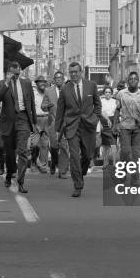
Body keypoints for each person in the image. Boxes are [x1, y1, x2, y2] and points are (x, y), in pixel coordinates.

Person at [55, 62, 101, 198]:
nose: (73, 74)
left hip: (88, 125)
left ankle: (82, 171)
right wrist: (58, 129)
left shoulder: (91, 85)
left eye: (76, 71)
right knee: (74, 157)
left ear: (81, 72)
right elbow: (60, 110)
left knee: (87, 155)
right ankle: (78, 185)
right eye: (71, 72)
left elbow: (98, 104)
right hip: (72, 126)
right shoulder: (65, 89)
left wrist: (95, 118)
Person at [0, 61, 36, 193]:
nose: (15, 76)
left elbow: (31, 103)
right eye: (13, 73)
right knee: (9, 154)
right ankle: (9, 174)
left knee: (22, 152)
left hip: (23, 119)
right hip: (8, 122)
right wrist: (6, 83)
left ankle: (21, 181)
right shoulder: (2, 84)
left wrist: (33, 123)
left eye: (18, 73)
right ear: (8, 72)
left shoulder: (26, 83)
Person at [113, 72, 140, 178]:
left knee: (137, 153)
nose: (133, 80)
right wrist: (114, 125)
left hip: (138, 129)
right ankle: (123, 171)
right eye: (130, 79)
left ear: (138, 81)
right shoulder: (121, 94)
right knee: (125, 151)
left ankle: (135, 175)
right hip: (125, 127)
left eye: (135, 79)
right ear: (127, 81)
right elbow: (117, 110)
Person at [42, 71, 70, 178]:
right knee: (54, 146)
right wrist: (47, 106)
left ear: (63, 79)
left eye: (60, 78)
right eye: (56, 78)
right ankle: (54, 161)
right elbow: (43, 105)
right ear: (54, 79)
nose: (58, 80)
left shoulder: (68, 89)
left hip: (65, 123)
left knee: (63, 146)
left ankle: (62, 171)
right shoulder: (48, 91)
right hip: (53, 123)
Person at [30, 75, 50, 173]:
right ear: (36, 83)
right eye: (40, 82)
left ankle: (43, 165)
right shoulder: (33, 94)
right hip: (36, 119)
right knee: (34, 144)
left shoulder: (48, 92)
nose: (42, 83)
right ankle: (33, 161)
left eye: (44, 82)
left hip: (47, 119)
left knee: (45, 144)